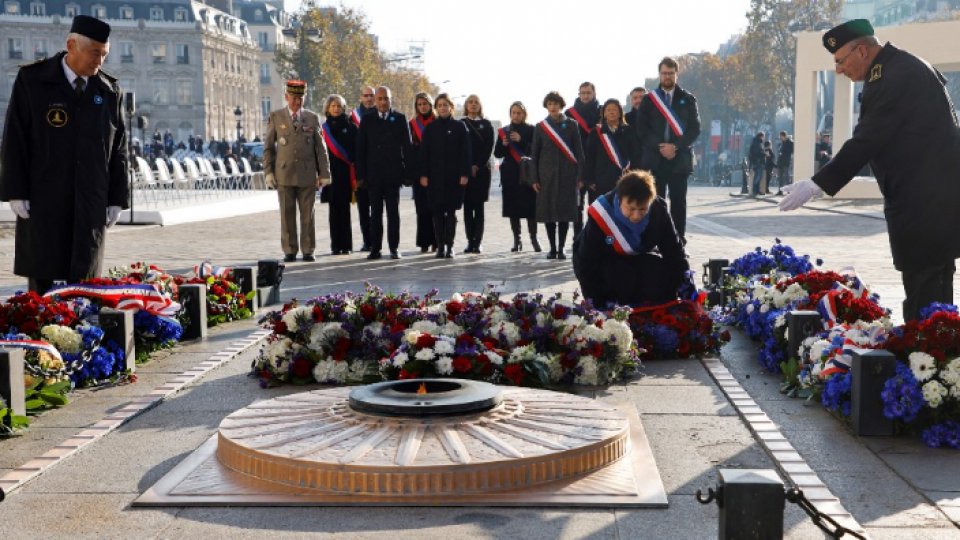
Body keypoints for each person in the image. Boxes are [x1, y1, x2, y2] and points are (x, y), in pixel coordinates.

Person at [780, 19, 960, 322]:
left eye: (840, 61)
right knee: (936, 295)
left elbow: (867, 140)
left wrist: (816, 183)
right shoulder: (901, 67)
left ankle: (924, 359)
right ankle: (939, 359)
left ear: (861, 51)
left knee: (924, 295)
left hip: (923, 203)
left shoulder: (893, 76)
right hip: (935, 199)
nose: (838, 69)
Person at [0, 15, 128, 294]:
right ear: (72, 45)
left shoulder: (108, 90)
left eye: (104, 55)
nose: (100, 62)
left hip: (90, 199)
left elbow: (118, 149)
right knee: (43, 273)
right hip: (44, 197)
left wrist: (117, 198)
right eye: (95, 53)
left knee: (86, 281)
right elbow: (15, 139)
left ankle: (82, 333)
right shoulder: (33, 81)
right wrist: (16, 191)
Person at [573, 170, 689, 308]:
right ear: (620, 199)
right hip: (606, 262)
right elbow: (587, 263)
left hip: (637, 258)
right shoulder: (602, 214)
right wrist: (595, 305)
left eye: (642, 209)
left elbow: (674, 252)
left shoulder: (659, 210)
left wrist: (686, 288)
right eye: (631, 208)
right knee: (620, 276)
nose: (636, 216)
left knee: (661, 272)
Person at [263, 79, 331, 263]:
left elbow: (320, 148)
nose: (296, 102)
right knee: (287, 214)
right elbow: (268, 147)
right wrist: (268, 172)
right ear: (286, 97)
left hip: (307, 174)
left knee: (308, 214)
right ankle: (290, 250)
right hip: (284, 173)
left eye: (300, 98)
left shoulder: (311, 117)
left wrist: (324, 174)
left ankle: (308, 249)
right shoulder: (276, 117)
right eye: (293, 98)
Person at [636, 56, 701, 243]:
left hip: (679, 159)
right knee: (656, 203)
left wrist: (675, 147)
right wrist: (661, 147)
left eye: (671, 73)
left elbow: (695, 129)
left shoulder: (688, 99)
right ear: (659, 74)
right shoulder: (649, 100)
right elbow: (642, 129)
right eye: (664, 73)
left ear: (676, 74)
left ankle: (679, 240)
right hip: (656, 159)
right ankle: (657, 240)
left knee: (679, 203)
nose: (667, 77)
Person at [356, 86, 414, 260]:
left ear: (391, 100)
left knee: (393, 214)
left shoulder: (400, 118)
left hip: (393, 175)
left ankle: (394, 248)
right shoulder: (367, 120)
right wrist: (360, 176)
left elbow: (407, 148)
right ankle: (375, 249)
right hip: (373, 176)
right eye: (379, 99)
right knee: (375, 214)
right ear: (375, 100)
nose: (382, 102)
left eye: (386, 99)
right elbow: (361, 150)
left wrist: (408, 174)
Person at [531, 91, 584, 260]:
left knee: (564, 213)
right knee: (548, 213)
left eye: (556, 104)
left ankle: (561, 248)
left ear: (561, 105)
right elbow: (535, 154)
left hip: (568, 175)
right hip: (546, 176)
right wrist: (534, 178)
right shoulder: (540, 127)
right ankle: (552, 248)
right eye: (550, 104)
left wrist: (580, 176)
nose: (553, 107)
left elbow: (579, 153)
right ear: (546, 106)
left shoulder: (572, 125)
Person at [417, 93, 472, 259]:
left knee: (451, 213)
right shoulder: (430, 128)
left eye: (445, 105)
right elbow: (424, 153)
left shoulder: (460, 127)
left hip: (454, 178)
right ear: (436, 108)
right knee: (437, 213)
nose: (442, 108)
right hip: (435, 178)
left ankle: (450, 246)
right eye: (439, 105)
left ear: (451, 107)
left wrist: (464, 173)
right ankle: (440, 246)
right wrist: (423, 174)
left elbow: (466, 152)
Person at [494, 101, 540, 252]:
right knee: (513, 209)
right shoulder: (504, 131)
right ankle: (517, 239)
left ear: (524, 114)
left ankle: (534, 238)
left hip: (527, 175)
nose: (516, 115)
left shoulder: (532, 129)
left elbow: (535, 150)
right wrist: (504, 144)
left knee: (530, 208)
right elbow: (497, 153)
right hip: (510, 175)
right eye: (513, 112)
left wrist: (521, 141)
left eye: (519, 113)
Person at [583, 99, 641, 204]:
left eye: (614, 109)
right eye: (608, 110)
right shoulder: (596, 132)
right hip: (601, 179)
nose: (611, 112)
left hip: (624, 178)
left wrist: (634, 175)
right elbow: (589, 157)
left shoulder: (628, 131)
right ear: (604, 114)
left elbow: (635, 155)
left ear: (620, 113)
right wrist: (589, 179)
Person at [320, 93, 357, 255]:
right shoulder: (322, 129)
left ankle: (347, 246)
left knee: (345, 211)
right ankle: (335, 245)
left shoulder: (351, 127)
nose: (336, 109)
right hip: (330, 174)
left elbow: (355, 150)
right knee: (333, 212)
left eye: (338, 106)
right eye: (333, 106)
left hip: (345, 173)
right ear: (328, 108)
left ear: (343, 108)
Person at [565, 82, 601, 238]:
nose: (585, 96)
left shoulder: (602, 111)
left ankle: (594, 236)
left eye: (588, 93)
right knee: (577, 206)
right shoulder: (569, 113)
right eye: (583, 93)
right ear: (578, 94)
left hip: (596, 166)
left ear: (594, 93)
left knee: (595, 205)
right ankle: (578, 237)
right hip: (577, 166)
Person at [461, 94, 495, 253]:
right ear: (466, 105)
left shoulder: (487, 125)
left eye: (476, 102)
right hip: (465, 172)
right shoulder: (460, 124)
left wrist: (477, 165)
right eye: (470, 102)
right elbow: (458, 148)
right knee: (467, 208)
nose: (473, 105)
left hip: (482, 171)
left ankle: (478, 242)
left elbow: (488, 148)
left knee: (479, 208)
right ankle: (469, 241)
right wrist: (467, 166)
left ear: (480, 106)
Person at [410, 92, 437, 253]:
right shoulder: (412, 124)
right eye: (419, 104)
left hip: (436, 171)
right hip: (419, 172)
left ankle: (437, 240)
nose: (422, 107)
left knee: (435, 208)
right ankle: (424, 242)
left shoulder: (438, 122)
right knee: (421, 209)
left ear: (430, 104)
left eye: (425, 103)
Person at [351, 86, 377, 251]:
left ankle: (376, 241)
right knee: (362, 209)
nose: (368, 99)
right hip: (359, 170)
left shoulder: (380, 115)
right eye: (365, 96)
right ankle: (367, 241)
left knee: (376, 210)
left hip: (376, 170)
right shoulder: (352, 117)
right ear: (360, 97)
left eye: (371, 96)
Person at [776, 131, 794, 195]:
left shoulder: (790, 143)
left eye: (780, 136)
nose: (780, 137)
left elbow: (792, 151)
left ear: (784, 136)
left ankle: (789, 191)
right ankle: (780, 191)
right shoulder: (782, 143)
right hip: (781, 162)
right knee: (780, 177)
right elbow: (780, 153)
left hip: (786, 162)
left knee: (787, 177)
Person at [747, 132, 765, 196]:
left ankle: (756, 190)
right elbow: (758, 153)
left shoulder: (756, 142)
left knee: (757, 176)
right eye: (763, 136)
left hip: (755, 161)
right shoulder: (757, 143)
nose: (764, 138)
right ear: (760, 136)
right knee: (758, 176)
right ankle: (755, 190)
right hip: (758, 162)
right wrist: (765, 154)